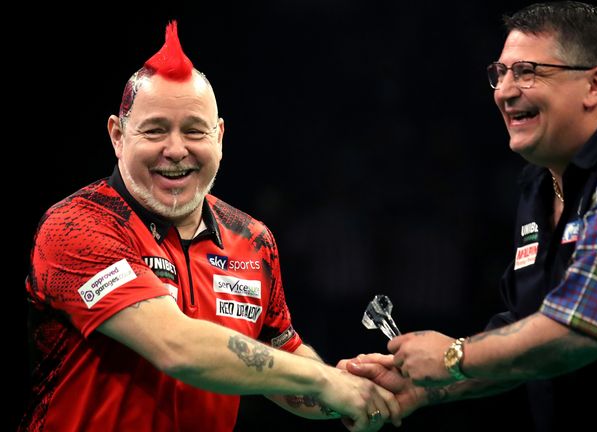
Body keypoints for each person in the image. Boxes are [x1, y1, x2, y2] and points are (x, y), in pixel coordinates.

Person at [344, 2, 597, 430]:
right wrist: (423, 388)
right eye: (500, 73)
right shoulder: (539, 185)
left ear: (595, 85)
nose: (504, 90)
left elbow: (583, 329)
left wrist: (453, 357)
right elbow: (526, 331)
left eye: (527, 72)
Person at [21, 21, 401, 432]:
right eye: (154, 130)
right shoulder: (77, 226)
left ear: (219, 137)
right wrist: (324, 381)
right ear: (117, 136)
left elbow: (283, 367)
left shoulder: (252, 240)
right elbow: (178, 347)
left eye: (194, 130)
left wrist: (351, 389)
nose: (176, 150)